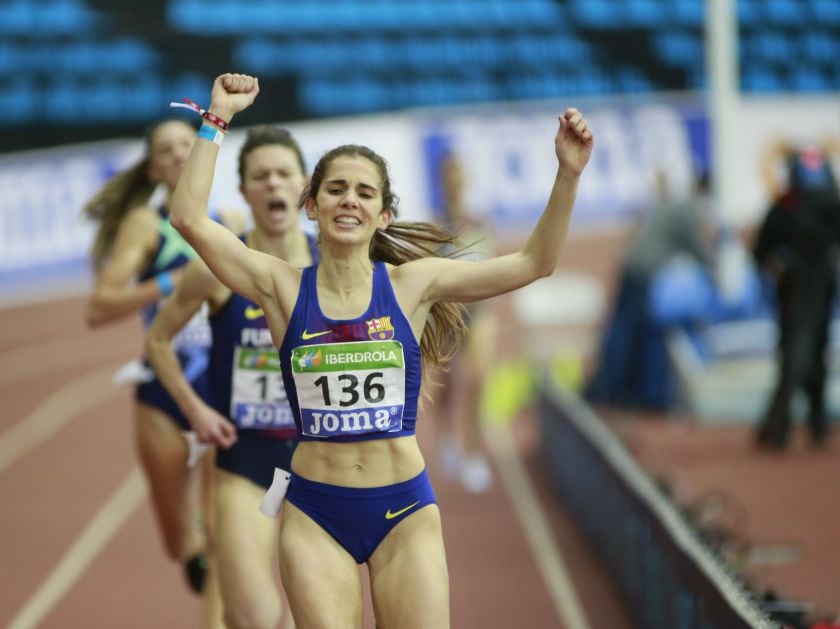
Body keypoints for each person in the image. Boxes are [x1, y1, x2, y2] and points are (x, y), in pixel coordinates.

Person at [167, 73, 594, 628]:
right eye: (336, 189)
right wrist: (217, 116)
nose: (350, 200)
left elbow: (535, 262)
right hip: (316, 512)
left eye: (365, 192)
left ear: (383, 215)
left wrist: (568, 173)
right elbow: (188, 219)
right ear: (311, 206)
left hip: (404, 511)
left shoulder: (414, 285)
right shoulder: (280, 286)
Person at [146, 125, 316, 628]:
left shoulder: (333, 265)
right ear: (243, 191)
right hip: (245, 461)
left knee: (322, 610)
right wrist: (195, 409)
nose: (273, 184)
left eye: (284, 173)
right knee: (252, 616)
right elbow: (157, 341)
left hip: (320, 460)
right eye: (260, 176)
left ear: (304, 186)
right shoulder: (214, 270)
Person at [82, 117, 226, 620]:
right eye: (165, 151)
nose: (178, 156)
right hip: (164, 387)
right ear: (154, 167)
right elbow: (99, 307)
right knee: (179, 541)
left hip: (222, 387)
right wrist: (173, 282)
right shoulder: (146, 224)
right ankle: (196, 558)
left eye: (187, 145)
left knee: (220, 536)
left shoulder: (228, 220)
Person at [584, 169, 714, 411]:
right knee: (631, 336)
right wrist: (715, 269)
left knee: (622, 334)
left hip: (633, 268)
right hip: (642, 273)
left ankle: (612, 391)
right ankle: (619, 393)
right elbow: (696, 248)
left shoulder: (672, 205)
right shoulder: (688, 210)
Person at [752, 144, 840, 449]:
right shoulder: (786, 207)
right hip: (794, 292)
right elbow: (762, 250)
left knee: (811, 356)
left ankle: (809, 426)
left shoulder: (825, 205)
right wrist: (776, 264)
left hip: (818, 288)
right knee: (796, 357)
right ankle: (782, 428)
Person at [431, 150, 496, 494]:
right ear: (443, 182)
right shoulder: (434, 224)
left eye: (459, 175)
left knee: (478, 381)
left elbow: (492, 267)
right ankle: (448, 441)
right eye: (449, 176)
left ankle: (473, 453)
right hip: (446, 315)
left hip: (480, 312)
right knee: (444, 385)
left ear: (465, 180)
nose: (455, 182)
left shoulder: (480, 222)